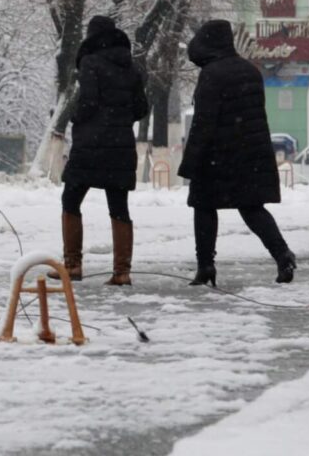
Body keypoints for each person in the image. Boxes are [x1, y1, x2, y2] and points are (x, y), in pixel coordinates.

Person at [178, 19, 296, 287]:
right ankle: (282, 254)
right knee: (253, 208)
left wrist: (192, 160)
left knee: (203, 206)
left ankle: (205, 265)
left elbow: (204, 122)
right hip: (251, 154)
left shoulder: (212, 74)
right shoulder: (250, 70)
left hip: (216, 156)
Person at [60, 15, 149, 285]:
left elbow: (88, 102)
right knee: (119, 207)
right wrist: (120, 119)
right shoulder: (132, 68)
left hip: (90, 144)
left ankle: (73, 266)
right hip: (121, 146)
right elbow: (142, 108)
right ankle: (122, 271)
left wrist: (75, 116)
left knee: (71, 199)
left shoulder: (90, 63)